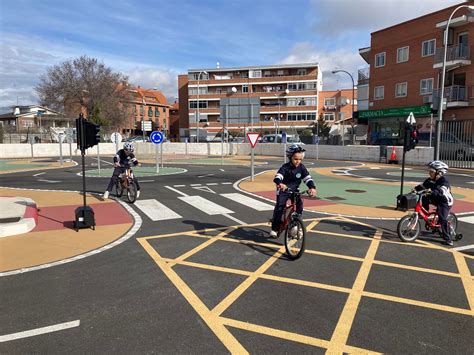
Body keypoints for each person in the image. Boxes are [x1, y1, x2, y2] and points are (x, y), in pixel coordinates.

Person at [270, 144, 317, 237]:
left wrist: (312, 188)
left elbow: (307, 178)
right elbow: (277, 177)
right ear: (290, 157)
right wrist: (280, 183)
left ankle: (295, 226)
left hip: (295, 190)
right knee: (280, 207)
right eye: (296, 159)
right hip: (283, 190)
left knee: (299, 206)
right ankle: (274, 228)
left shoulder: (302, 168)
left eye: (300, 159)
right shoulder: (285, 167)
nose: (298, 161)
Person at [413, 160, 454, 246]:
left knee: (442, 218)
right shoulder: (430, 180)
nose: (429, 173)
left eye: (431, 172)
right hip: (435, 198)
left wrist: (432, 191)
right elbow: (423, 186)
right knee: (424, 197)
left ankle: (448, 238)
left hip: (444, 201)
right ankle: (425, 212)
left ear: (439, 173)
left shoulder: (444, 181)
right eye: (429, 171)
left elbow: (441, 190)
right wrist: (415, 189)